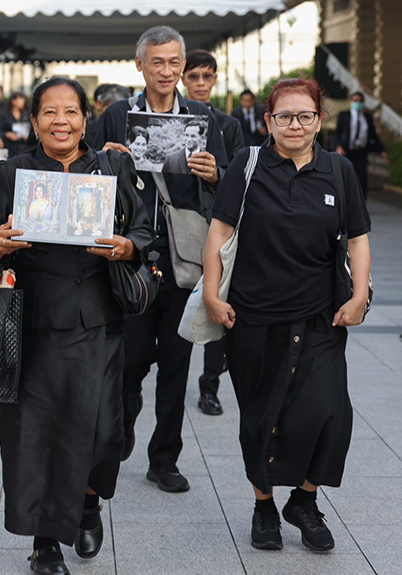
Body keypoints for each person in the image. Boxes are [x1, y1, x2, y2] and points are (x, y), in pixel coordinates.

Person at [0, 76, 153, 575]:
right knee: (37, 437)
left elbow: (143, 227)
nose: (61, 121)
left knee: (103, 434)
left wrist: (127, 246)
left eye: (71, 112)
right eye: (50, 113)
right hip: (34, 323)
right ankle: (45, 542)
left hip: (100, 320)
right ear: (34, 122)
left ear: (86, 119)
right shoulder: (16, 170)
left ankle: (87, 501)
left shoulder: (112, 165)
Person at [202, 77, 371, 553]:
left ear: (319, 120)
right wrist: (213, 294)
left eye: (305, 116)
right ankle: (263, 506)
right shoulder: (247, 165)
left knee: (329, 414)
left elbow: (357, 238)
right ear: (267, 121)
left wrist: (358, 295)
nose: (294, 125)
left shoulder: (339, 170)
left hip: (320, 318)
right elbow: (219, 231)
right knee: (261, 416)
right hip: (254, 317)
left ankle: (304, 500)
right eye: (284, 116)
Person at [93, 25, 227, 493]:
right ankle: (125, 416)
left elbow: (229, 194)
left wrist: (215, 175)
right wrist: (103, 160)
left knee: (176, 363)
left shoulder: (202, 118)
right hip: (129, 259)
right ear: (140, 66)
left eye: (175, 63)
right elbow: (84, 172)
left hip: (183, 261)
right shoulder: (115, 115)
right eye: (158, 62)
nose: (167, 71)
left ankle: (164, 458)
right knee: (128, 361)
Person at [181, 49, 245, 417]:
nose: (201, 84)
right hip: (176, 227)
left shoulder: (228, 124)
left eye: (207, 77)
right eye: (194, 77)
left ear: (215, 79)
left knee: (215, 299)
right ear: (183, 79)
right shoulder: (166, 119)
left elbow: (239, 176)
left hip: (215, 225)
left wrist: (217, 174)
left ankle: (210, 386)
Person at [331, 91, 388, 197]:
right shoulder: (344, 115)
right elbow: (337, 133)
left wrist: (382, 150)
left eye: (360, 101)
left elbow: (373, 135)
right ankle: (345, 202)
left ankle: (361, 205)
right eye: (355, 100)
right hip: (346, 151)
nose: (358, 103)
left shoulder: (367, 117)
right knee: (346, 177)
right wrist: (338, 146)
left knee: (361, 178)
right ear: (351, 101)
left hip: (361, 151)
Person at [0, 91, 36, 157]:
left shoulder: (28, 114)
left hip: (26, 147)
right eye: (20, 100)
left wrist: (29, 136)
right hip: (10, 147)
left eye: (23, 100)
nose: (23, 102)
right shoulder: (4, 115)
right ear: (13, 101)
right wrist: (7, 134)